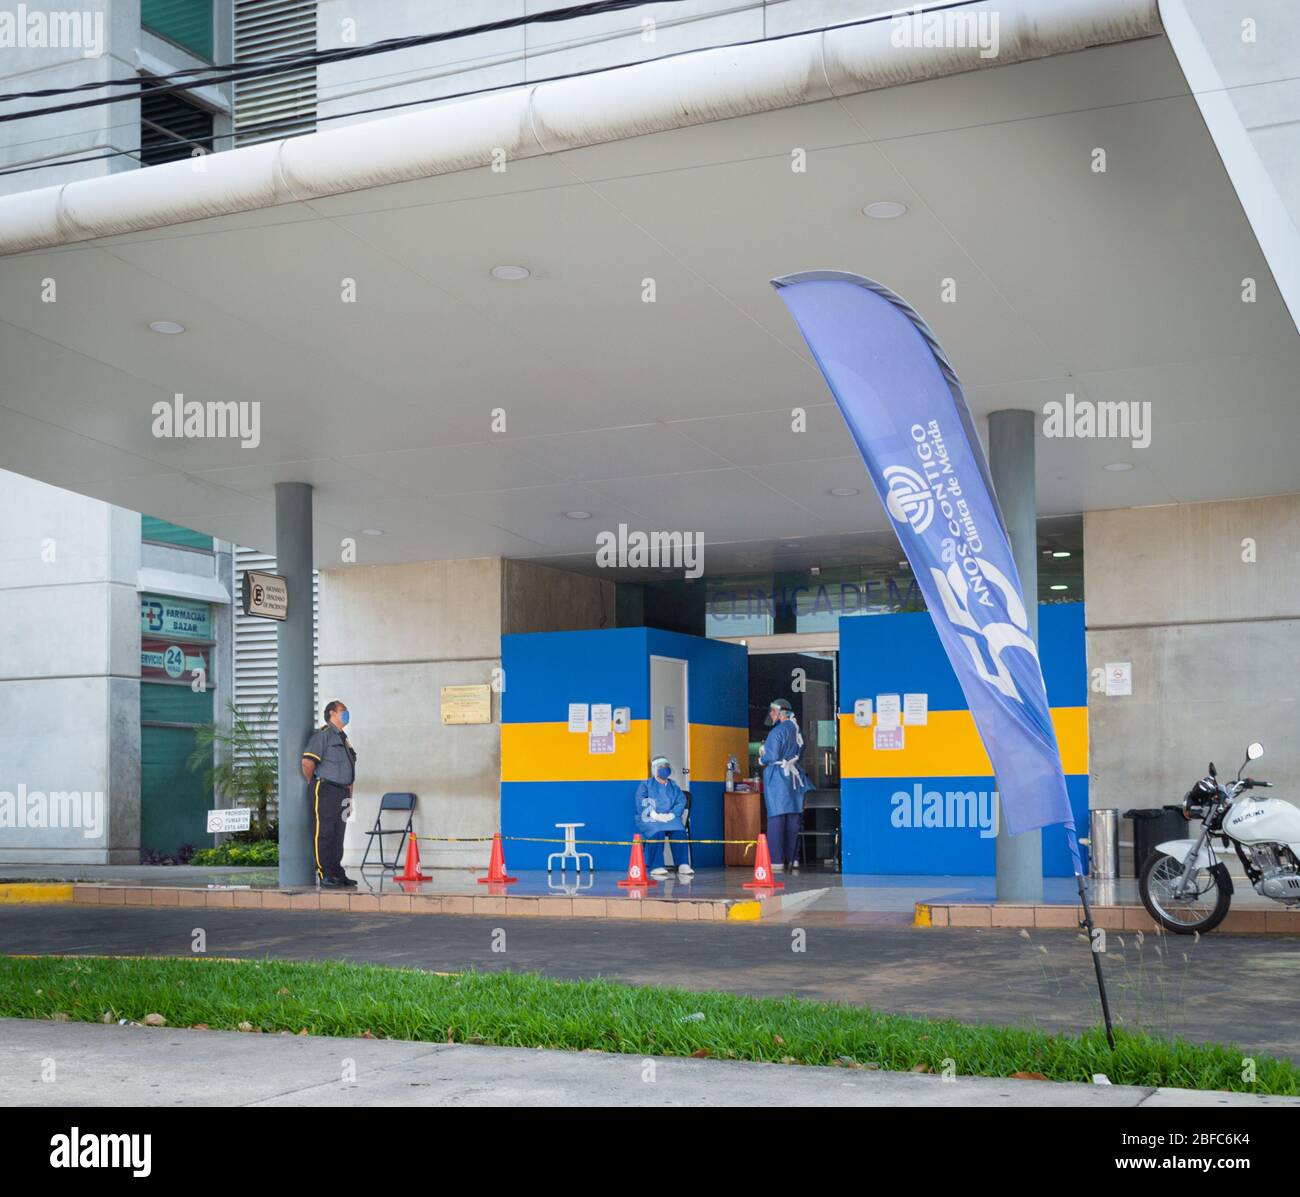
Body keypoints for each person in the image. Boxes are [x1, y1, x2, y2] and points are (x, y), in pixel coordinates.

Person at [301, 700, 358, 888]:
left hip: (344, 792)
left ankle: (336, 871)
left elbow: (350, 772)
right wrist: (315, 782)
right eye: (343, 710)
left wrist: (350, 799)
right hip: (325, 790)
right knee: (324, 832)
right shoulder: (323, 735)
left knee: (338, 833)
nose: (347, 712)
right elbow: (307, 763)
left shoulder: (344, 738)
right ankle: (324, 872)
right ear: (332, 713)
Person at [759, 698, 812, 873]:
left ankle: (776, 862)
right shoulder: (798, 732)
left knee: (776, 819)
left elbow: (771, 755)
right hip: (794, 778)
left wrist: (762, 756)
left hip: (778, 778)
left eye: (774, 711)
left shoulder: (777, 732)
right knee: (793, 819)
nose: (772, 715)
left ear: (782, 712)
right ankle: (793, 858)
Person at [633, 756, 692, 880]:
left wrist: (672, 814)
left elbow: (681, 801)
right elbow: (641, 802)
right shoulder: (646, 785)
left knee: (679, 831)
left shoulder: (673, 785)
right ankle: (656, 866)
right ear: (654, 769)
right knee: (656, 831)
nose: (664, 769)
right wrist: (654, 814)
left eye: (666, 766)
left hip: (670, 817)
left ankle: (682, 864)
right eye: (661, 767)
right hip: (650, 818)